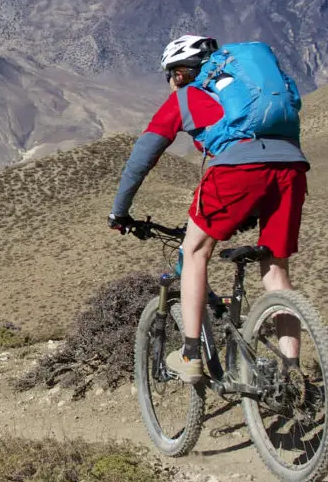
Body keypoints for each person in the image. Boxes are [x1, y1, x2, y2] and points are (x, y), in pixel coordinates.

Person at [108, 34, 308, 382]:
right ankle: (293, 374)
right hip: (292, 167)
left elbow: (142, 159)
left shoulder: (185, 97)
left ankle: (190, 355)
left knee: (194, 250)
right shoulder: (244, 92)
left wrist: (119, 211)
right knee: (276, 271)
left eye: (170, 75)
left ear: (180, 74)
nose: (170, 83)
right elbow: (266, 161)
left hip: (237, 172)